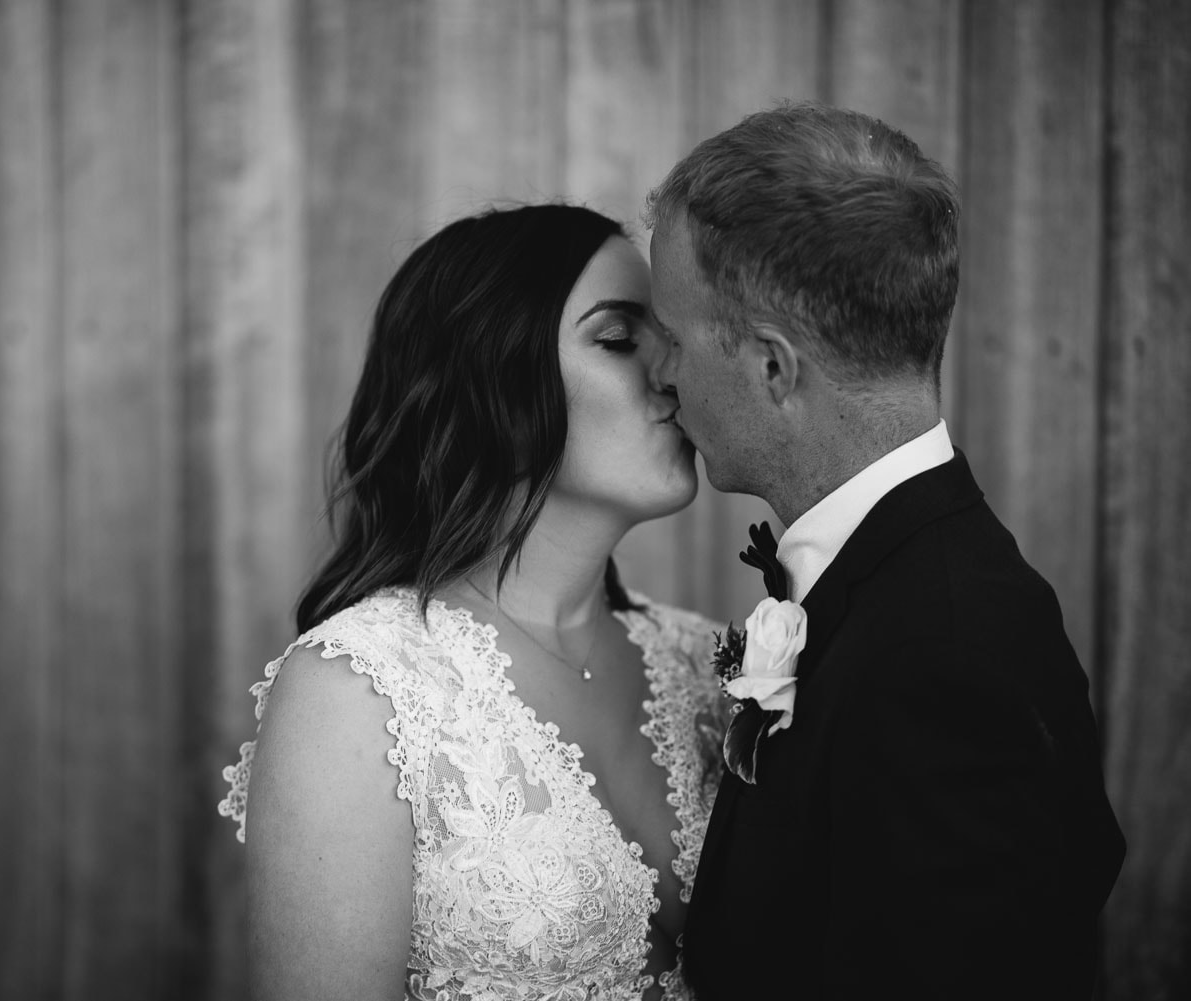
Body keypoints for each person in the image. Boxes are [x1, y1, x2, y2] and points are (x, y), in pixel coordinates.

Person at [646, 102, 1126, 1000]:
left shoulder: (942, 656)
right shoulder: (905, 585)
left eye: (671, 337)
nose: (658, 373)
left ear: (772, 368)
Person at [219, 204, 727, 1000]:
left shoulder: (714, 666)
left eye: (673, 340)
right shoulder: (362, 694)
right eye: (621, 338)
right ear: (492, 374)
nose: (674, 374)